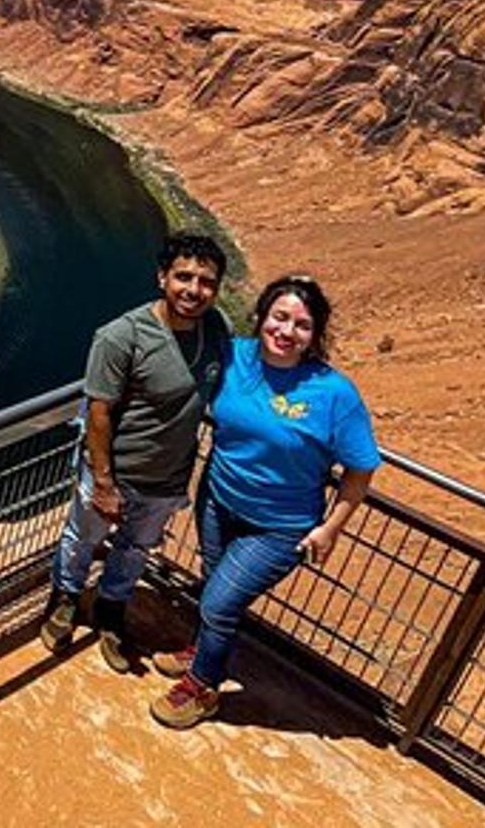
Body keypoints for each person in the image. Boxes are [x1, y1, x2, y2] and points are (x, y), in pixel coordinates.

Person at [150, 273, 380, 729]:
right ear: (261, 317)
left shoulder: (333, 393)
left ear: (315, 335)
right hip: (218, 499)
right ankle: (205, 649)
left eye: (301, 324)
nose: (286, 331)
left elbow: (360, 469)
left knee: (219, 602)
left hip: (281, 527)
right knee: (216, 589)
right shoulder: (234, 356)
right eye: (279, 317)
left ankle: (202, 687)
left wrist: (331, 527)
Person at [41, 232, 230, 672]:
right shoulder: (120, 336)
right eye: (183, 277)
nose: (193, 290)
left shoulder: (214, 327)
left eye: (205, 282)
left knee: (135, 548)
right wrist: (104, 482)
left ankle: (111, 611)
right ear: (162, 277)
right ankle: (64, 600)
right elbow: (100, 412)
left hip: (168, 478)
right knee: (82, 538)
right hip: (116, 471)